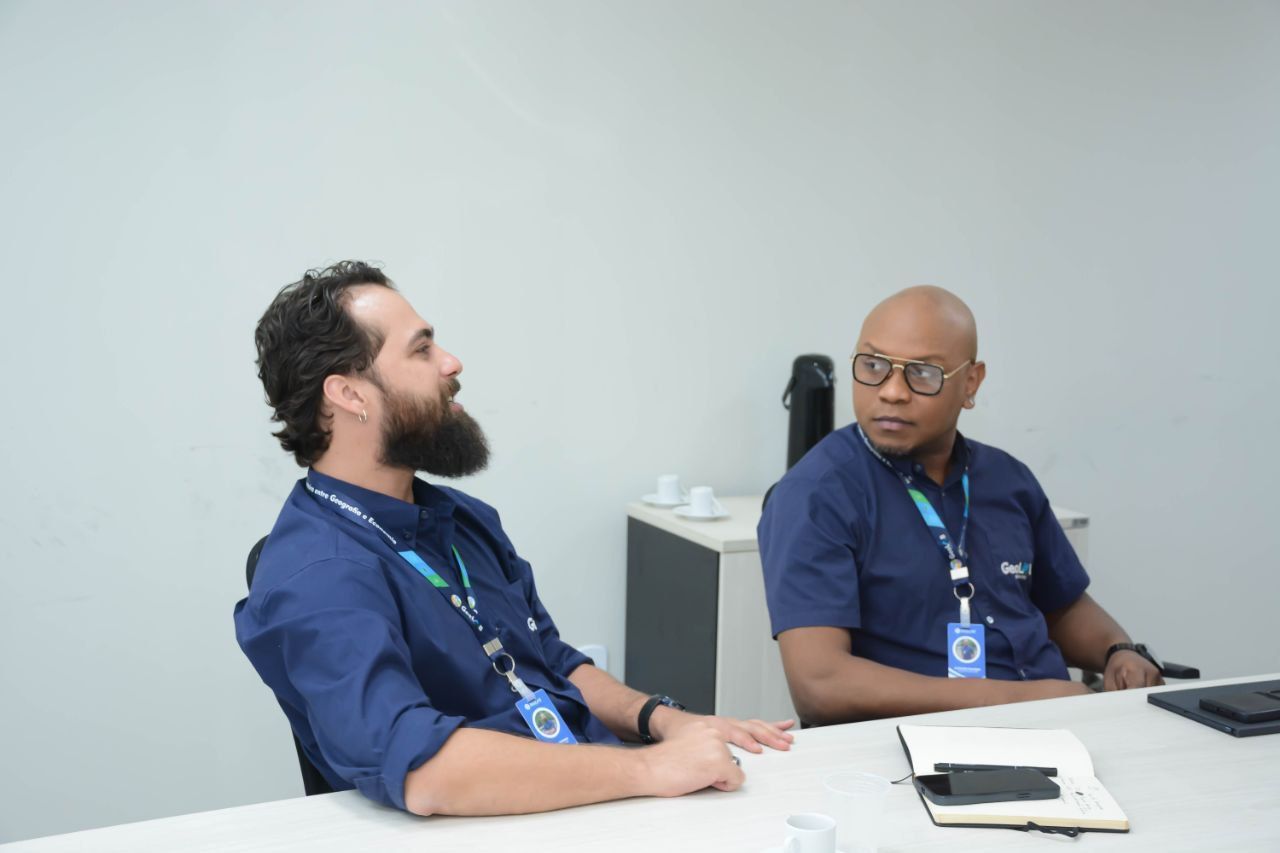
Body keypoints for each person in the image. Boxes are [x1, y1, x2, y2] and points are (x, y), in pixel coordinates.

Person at [235, 261, 793, 816]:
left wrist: (667, 721)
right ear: (350, 395)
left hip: (586, 795)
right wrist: (650, 768)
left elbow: (553, 663)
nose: (451, 363)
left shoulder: (461, 519)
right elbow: (422, 769)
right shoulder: (317, 573)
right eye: (422, 350)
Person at [758, 286, 1163, 725]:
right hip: (909, 749)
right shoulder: (817, 494)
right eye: (873, 366)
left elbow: (1060, 604)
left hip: (1055, 723)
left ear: (970, 383)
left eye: (923, 373)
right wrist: (1018, 701)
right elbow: (821, 685)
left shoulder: (1008, 479)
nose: (892, 392)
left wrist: (1118, 649)